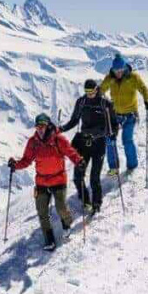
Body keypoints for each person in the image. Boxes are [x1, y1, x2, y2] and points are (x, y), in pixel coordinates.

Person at [8, 113, 83, 251]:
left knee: (61, 207)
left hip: (58, 179)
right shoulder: (33, 142)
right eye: (37, 126)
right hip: (42, 181)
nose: (40, 129)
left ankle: (67, 225)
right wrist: (15, 165)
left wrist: (79, 161)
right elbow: (26, 160)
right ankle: (49, 240)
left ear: (48, 125)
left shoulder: (58, 139)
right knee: (42, 212)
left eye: (42, 126)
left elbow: (70, 152)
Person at [59, 79, 118, 216]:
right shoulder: (81, 102)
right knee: (78, 176)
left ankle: (96, 204)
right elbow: (74, 121)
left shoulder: (105, 104)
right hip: (83, 143)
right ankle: (85, 200)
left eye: (91, 92)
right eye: (86, 92)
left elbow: (113, 126)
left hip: (98, 144)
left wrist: (106, 134)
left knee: (94, 178)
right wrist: (61, 128)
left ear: (97, 89)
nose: (89, 94)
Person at [100, 54, 148, 176]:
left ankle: (132, 166)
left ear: (124, 68)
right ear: (112, 69)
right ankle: (114, 168)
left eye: (120, 70)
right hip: (115, 115)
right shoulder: (109, 78)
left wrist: (147, 100)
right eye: (116, 70)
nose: (118, 73)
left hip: (130, 115)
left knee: (126, 140)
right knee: (109, 139)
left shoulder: (133, 77)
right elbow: (101, 90)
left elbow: (144, 89)